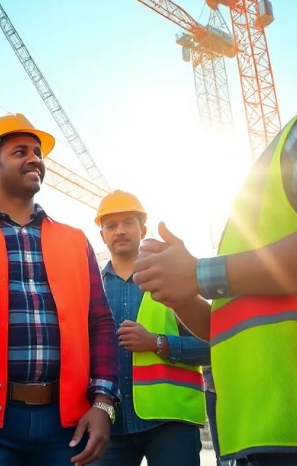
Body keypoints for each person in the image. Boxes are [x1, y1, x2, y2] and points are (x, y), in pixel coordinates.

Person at [133, 94, 297, 465]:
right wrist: (179, 292)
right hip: (255, 433)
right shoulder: (247, 214)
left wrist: (198, 274)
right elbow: (225, 329)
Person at [0, 113, 121, 466]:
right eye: (20, 152)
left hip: (65, 426)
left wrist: (103, 403)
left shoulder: (75, 240)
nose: (35, 160)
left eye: (38, 152)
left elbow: (100, 323)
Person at [93, 190, 209, 466]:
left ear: (143, 230)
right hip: (110, 424)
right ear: (102, 236)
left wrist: (157, 342)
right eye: (111, 225)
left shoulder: (174, 282)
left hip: (171, 424)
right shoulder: (91, 290)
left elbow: (211, 345)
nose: (120, 231)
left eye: (128, 223)